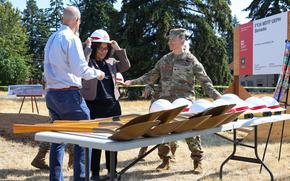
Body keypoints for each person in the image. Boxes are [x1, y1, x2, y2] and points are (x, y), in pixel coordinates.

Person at [125, 28, 221, 173]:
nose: (169, 42)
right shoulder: (165, 60)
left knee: (190, 129)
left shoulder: (191, 60)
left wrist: (218, 98)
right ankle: (165, 160)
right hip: (166, 102)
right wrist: (132, 82)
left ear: (181, 40)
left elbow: (205, 82)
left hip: (185, 102)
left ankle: (197, 161)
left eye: (172, 39)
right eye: (169, 39)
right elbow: (151, 75)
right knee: (161, 130)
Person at [44, 6, 105, 181]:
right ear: (76, 20)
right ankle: (81, 178)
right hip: (69, 95)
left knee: (58, 139)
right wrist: (98, 74)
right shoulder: (71, 38)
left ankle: (56, 179)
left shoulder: (52, 38)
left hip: (52, 95)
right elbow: (80, 70)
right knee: (86, 137)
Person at [80, 29, 130, 181]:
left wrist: (118, 49)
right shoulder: (88, 62)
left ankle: (111, 171)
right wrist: (87, 47)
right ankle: (94, 174)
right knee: (95, 142)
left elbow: (126, 66)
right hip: (94, 105)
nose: (104, 51)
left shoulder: (111, 62)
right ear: (94, 47)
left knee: (113, 140)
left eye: (106, 48)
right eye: (101, 48)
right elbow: (81, 63)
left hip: (113, 105)